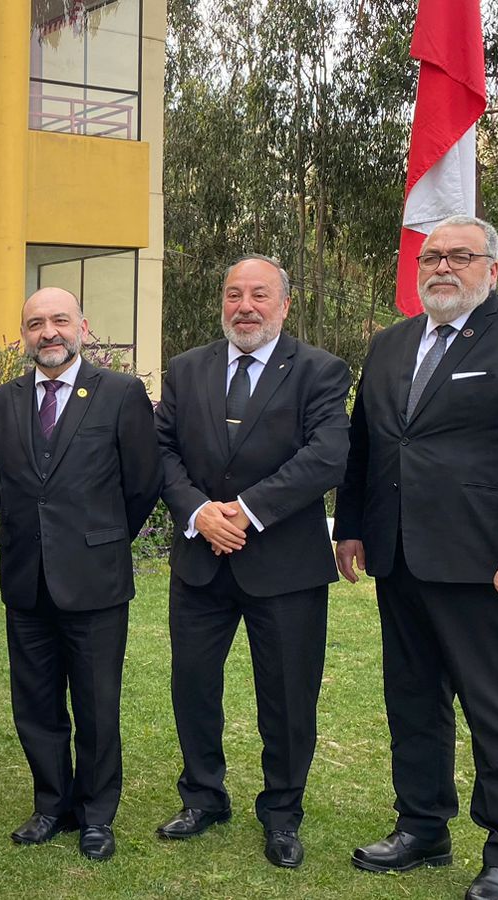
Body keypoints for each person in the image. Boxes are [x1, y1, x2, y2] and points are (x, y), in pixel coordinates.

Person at [334, 215, 498, 900]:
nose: (442, 267)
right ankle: (423, 827)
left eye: (460, 256)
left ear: (493, 269)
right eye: (432, 257)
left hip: (489, 563)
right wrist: (351, 526)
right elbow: (368, 445)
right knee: (413, 702)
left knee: (497, 708)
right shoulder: (390, 344)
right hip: (399, 556)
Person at [152, 256, 350, 868]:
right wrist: (197, 512)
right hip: (199, 562)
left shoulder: (320, 371)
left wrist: (243, 510)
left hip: (285, 567)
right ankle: (204, 796)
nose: (245, 306)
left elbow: (328, 454)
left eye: (259, 295)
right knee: (193, 686)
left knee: (289, 697)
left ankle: (283, 813)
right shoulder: (187, 370)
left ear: (283, 305)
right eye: (234, 293)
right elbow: (160, 451)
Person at [0, 287, 160, 861]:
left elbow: (142, 483)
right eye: (35, 323)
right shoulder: (2, 402)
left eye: (59, 320)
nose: (48, 332)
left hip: (96, 577)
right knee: (35, 701)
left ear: (83, 325)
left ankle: (97, 813)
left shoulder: (122, 394)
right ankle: (51, 803)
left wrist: (100, 539)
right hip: (27, 576)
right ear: (23, 334)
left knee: (97, 701)